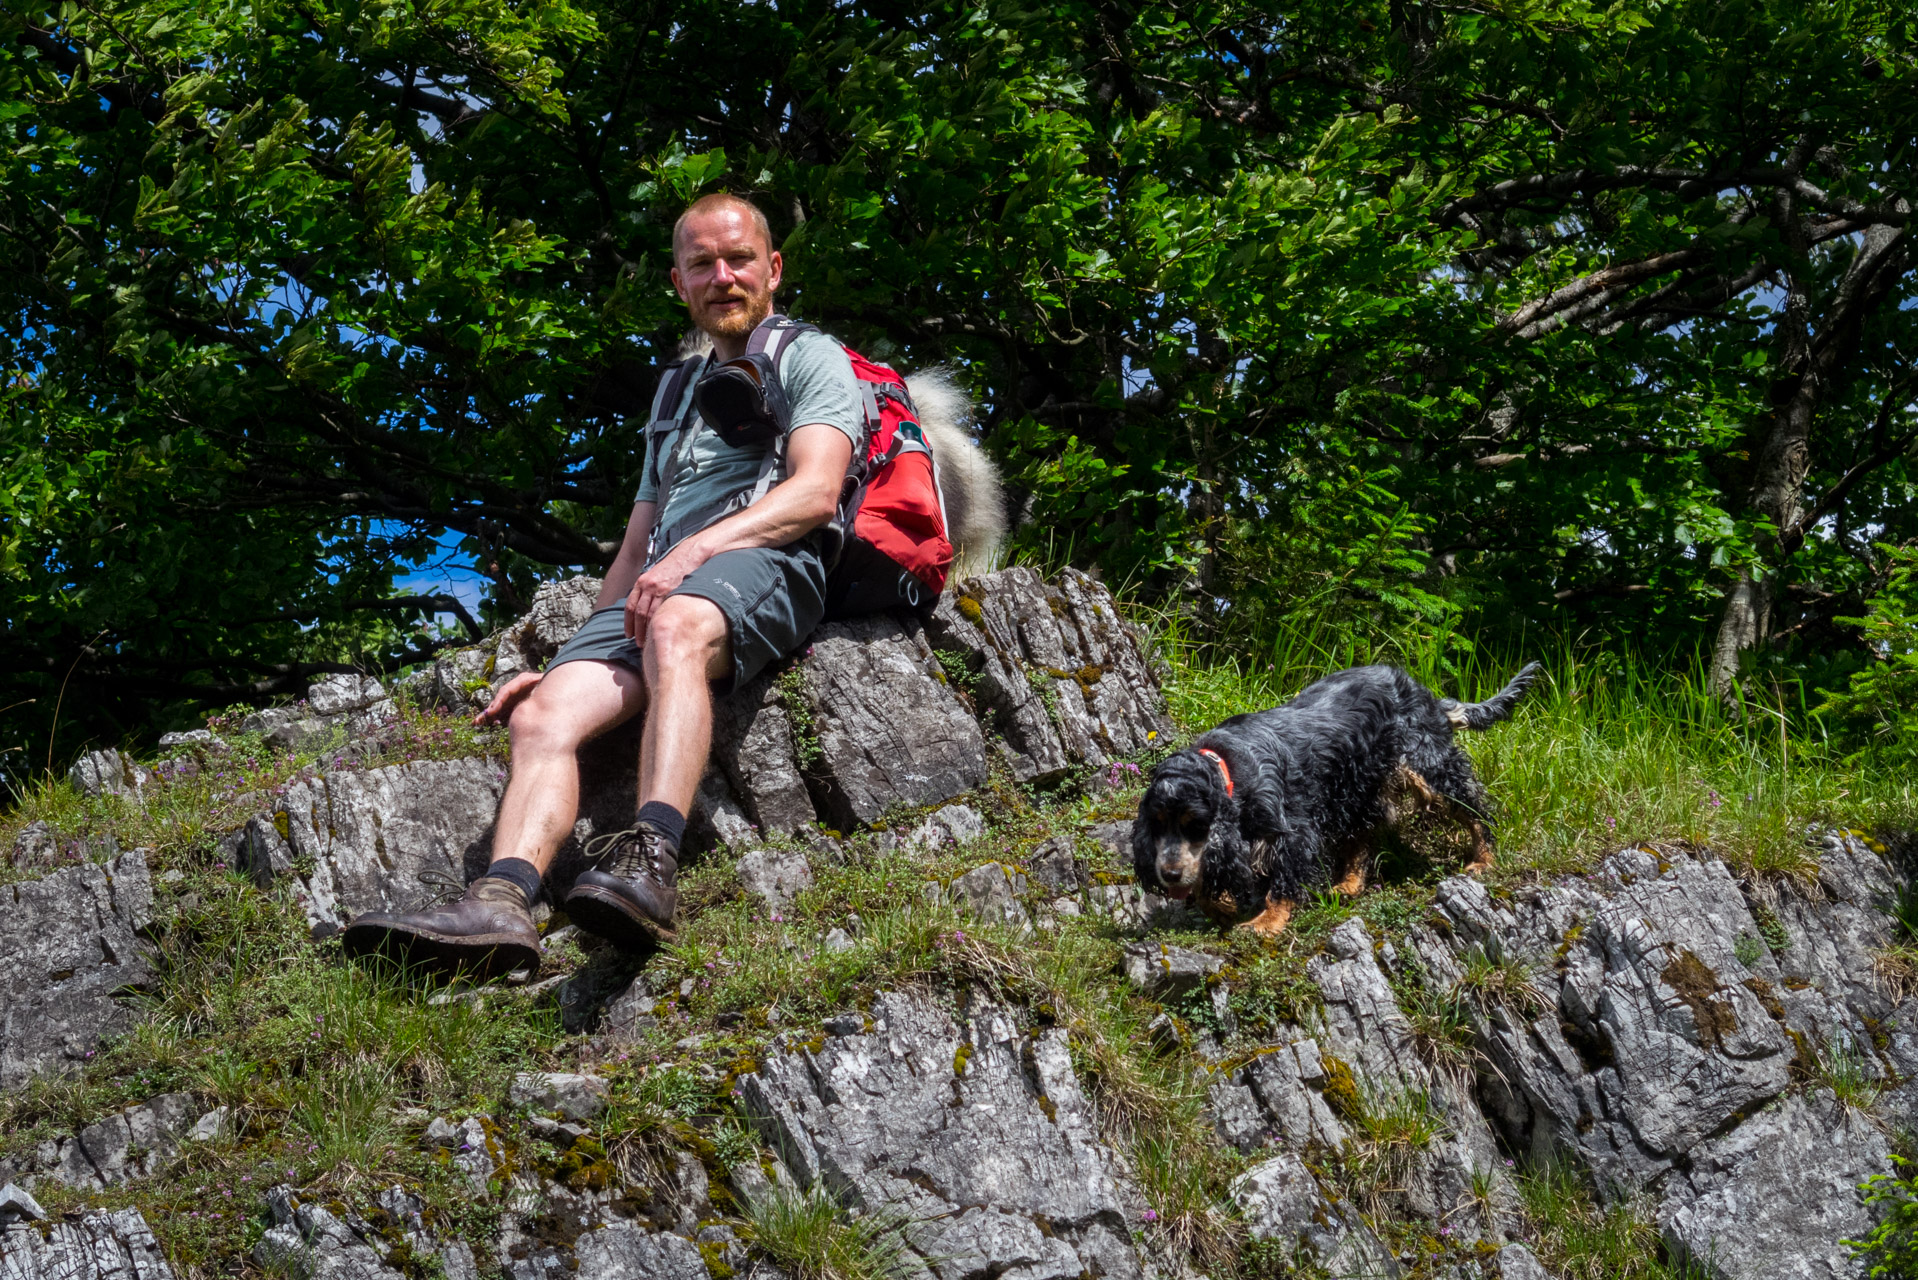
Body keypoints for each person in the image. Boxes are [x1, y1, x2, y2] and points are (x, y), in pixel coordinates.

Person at [341, 193, 860, 977]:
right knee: (545, 713)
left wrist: (693, 556)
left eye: (740, 259)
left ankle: (651, 863)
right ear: (677, 282)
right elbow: (635, 544)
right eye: (702, 265)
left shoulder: (810, 356)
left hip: (771, 558)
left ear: (772, 268)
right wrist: (563, 663)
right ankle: (501, 902)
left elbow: (816, 492)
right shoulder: (674, 392)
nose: (723, 277)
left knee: (678, 625)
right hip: (662, 586)